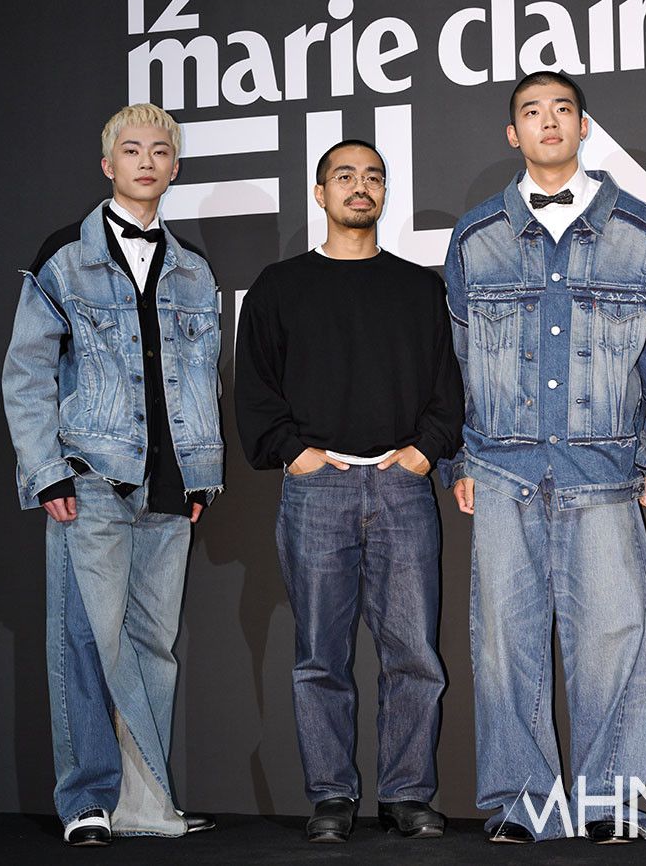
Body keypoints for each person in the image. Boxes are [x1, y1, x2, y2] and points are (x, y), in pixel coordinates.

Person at [441, 72, 646, 844]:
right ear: (512, 134)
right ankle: (525, 805)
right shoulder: (476, 236)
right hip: (502, 473)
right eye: (531, 111)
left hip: (606, 474)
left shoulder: (639, 232)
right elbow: (453, 361)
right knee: (503, 649)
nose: (548, 121)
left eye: (562, 109)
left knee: (615, 645)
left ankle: (609, 803)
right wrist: (459, 459)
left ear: (583, 127)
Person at [2, 103, 224, 846]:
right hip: (91, 477)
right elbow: (26, 373)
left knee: (153, 646)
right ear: (108, 165)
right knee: (84, 641)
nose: (147, 161)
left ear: (175, 167)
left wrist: (201, 474)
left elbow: (203, 380)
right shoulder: (65, 256)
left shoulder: (193, 269)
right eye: (132, 150)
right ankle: (87, 800)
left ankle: (145, 803)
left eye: (160, 151)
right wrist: (47, 473)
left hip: (170, 487)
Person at [234, 139, 463, 843]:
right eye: (345, 176)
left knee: (414, 655)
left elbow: (447, 386)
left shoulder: (420, 288)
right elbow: (254, 387)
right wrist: (296, 455)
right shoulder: (279, 286)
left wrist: (421, 454)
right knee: (319, 658)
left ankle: (406, 795)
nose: (360, 187)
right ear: (320, 192)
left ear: (384, 193)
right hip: (317, 492)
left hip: (402, 490)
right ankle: (331, 797)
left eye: (373, 177)